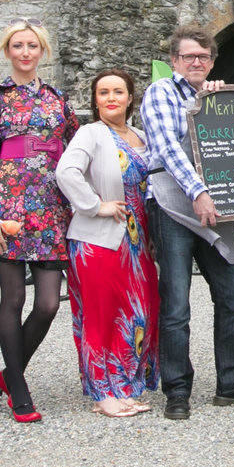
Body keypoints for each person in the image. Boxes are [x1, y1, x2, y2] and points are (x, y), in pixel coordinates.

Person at [140, 26, 234, 420]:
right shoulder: (160, 93)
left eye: (204, 57)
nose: (196, 62)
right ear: (175, 61)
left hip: (215, 206)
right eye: (188, 56)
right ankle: (177, 390)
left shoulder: (214, 96)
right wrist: (198, 192)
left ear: (212, 60)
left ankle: (233, 383)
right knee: (177, 303)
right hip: (175, 202)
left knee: (233, 295)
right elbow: (166, 147)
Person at [0, 17, 80, 423]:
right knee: (12, 299)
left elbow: (75, 146)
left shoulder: (57, 98)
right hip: (8, 201)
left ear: (42, 51)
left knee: (48, 303)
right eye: (18, 46)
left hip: (50, 205)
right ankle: (19, 386)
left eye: (32, 46)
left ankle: (10, 374)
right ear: (7, 51)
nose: (25, 52)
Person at [55, 69, 160, 418]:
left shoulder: (142, 136)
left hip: (137, 242)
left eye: (118, 91)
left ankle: (126, 385)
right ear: (95, 100)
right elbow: (66, 171)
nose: (111, 98)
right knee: (100, 316)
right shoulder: (90, 133)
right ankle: (103, 392)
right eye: (103, 93)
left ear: (131, 97)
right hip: (98, 239)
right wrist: (94, 205)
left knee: (136, 314)